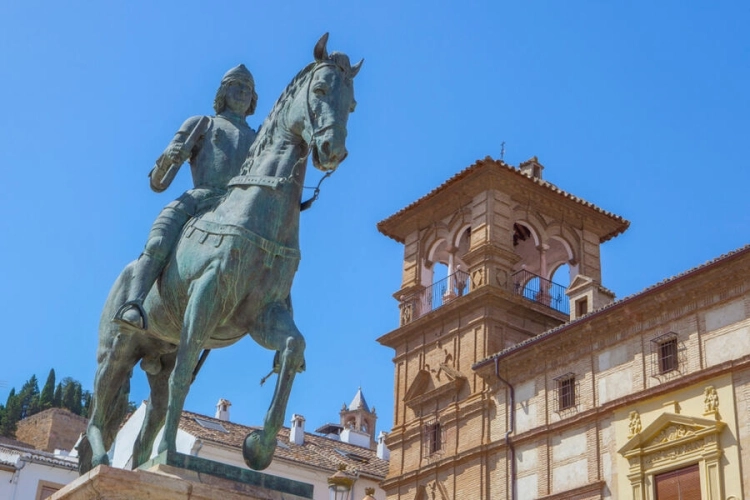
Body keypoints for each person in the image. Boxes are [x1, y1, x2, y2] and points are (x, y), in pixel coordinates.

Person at [114, 64, 258, 330]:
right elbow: (157, 183)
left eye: (248, 88)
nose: (243, 92)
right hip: (201, 198)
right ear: (223, 91)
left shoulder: (259, 138)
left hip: (242, 208)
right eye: (237, 85)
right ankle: (133, 303)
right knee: (158, 241)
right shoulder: (201, 124)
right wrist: (169, 158)